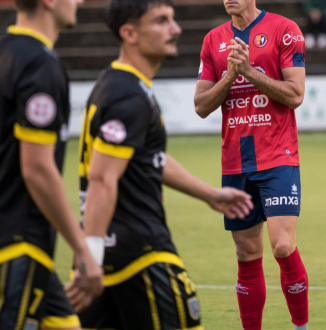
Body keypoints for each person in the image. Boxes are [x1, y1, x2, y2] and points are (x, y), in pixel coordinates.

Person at [72, 0, 254, 329]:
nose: (175, 29)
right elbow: (101, 178)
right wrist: (91, 253)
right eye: (161, 21)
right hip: (140, 251)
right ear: (129, 33)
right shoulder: (129, 95)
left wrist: (210, 195)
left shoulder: (115, 83)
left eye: (172, 19)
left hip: (110, 252)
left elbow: (147, 158)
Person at [194, 0, 309, 329]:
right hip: (235, 162)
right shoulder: (213, 39)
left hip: (278, 155)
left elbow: (295, 94)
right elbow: (201, 106)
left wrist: (250, 72)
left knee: (283, 246)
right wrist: (230, 75)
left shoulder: (284, 30)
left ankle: (300, 326)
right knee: (246, 253)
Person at [0, 0, 104, 329]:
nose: (79, 2)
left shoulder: (5, 50)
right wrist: (81, 247)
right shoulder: (39, 63)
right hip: (17, 242)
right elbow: (38, 169)